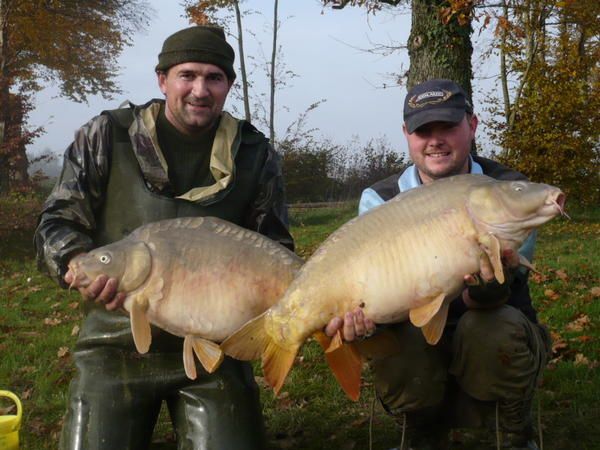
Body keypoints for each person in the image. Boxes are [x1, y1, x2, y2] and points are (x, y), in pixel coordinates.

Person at [34, 25, 293, 450]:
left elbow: (276, 249)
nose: (199, 90)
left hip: (217, 349)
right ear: (162, 79)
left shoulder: (255, 154)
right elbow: (56, 223)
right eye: (187, 75)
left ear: (228, 84)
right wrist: (75, 264)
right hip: (113, 343)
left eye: (214, 77)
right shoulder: (106, 135)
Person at [325, 79, 550, 450]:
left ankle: (512, 432)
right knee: (399, 340)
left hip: (490, 326)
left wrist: (487, 286)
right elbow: (380, 297)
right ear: (406, 134)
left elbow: (493, 298)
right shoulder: (379, 199)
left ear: (472, 126)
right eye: (422, 130)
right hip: (416, 333)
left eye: (447, 127)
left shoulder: (509, 192)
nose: (435, 140)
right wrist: (362, 320)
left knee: (490, 326)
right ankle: (420, 431)